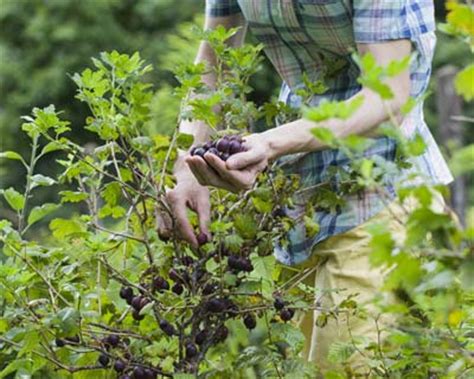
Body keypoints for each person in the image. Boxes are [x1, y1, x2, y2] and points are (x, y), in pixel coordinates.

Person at [160, 0, 453, 374]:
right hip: (297, 206)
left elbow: (388, 97)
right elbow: (215, 62)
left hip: (382, 195)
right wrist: (186, 168)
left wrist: (273, 142)